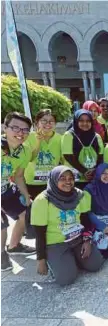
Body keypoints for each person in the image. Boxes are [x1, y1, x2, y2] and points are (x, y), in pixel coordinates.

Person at [31, 166, 104, 286]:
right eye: (62, 178)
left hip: (78, 239)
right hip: (56, 243)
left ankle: (72, 258)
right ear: (54, 180)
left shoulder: (80, 195)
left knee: (96, 264)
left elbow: (86, 221)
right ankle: (59, 261)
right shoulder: (43, 201)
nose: (68, 182)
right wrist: (41, 259)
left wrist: (87, 241)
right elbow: (39, 233)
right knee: (66, 279)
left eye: (71, 178)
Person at [1, 112, 35, 271]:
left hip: (5, 188)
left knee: (23, 213)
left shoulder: (25, 151)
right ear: (5, 128)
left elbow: (19, 175)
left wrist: (25, 195)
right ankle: (2, 256)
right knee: (2, 224)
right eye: (15, 128)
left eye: (25, 130)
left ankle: (14, 246)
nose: (20, 133)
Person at [61, 109, 104, 189]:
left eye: (88, 121)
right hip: (74, 180)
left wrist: (93, 171)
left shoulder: (97, 136)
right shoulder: (68, 135)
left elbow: (101, 156)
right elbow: (68, 156)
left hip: (92, 180)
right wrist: (84, 171)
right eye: (81, 120)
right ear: (76, 121)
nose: (85, 123)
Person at [24, 109, 62, 199]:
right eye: (44, 121)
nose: (48, 124)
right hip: (32, 182)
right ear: (37, 123)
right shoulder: (29, 137)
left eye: (51, 121)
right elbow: (29, 159)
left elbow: (63, 160)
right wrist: (38, 142)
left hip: (52, 183)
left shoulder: (60, 138)